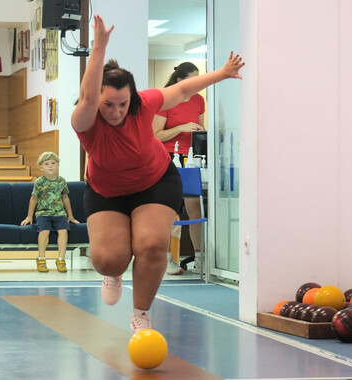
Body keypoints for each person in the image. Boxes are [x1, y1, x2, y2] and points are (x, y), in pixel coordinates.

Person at [71, 14, 244, 333]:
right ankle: (114, 271)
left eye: (123, 104)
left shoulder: (144, 104)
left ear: (132, 99)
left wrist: (222, 73)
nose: (116, 111)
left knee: (151, 244)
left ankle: (141, 314)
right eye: (109, 105)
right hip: (107, 191)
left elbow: (182, 90)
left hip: (155, 181)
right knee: (109, 258)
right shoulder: (86, 122)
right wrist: (99, 47)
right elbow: (87, 97)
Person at [153, 62, 206, 275]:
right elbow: (156, 135)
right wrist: (180, 128)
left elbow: (201, 130)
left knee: (195, 209)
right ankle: (167, 260)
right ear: (180, 80)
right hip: (167, 158)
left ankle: (200, 258)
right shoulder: (166, 100)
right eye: (193, 79)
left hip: (191, 158)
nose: (197, 84)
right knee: (170, 211)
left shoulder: (199, 100)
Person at [21, 152, 79, 273]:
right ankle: (41, 258)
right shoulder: (39, 182)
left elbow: (65, 198)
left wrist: (71, 216)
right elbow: (33, 199)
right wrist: (29, 216)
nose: (50, 166)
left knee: (63, 231)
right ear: (41, 167)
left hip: (59, 213)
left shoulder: (62, 181)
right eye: (47, 164)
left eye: (53, 163)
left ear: (58, 165)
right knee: (44, 231)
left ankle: (61, 259)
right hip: (43, 213)